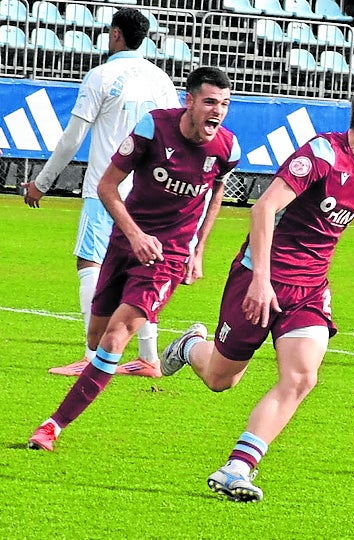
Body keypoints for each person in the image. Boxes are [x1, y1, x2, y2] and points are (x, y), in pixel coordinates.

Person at [160, 80, 354, 502]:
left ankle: (237, 468)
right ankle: (190, 347)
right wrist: (260, 280)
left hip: (309, 291)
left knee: (302, 377)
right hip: (258, 280)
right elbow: (264, 208)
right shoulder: (321, 155)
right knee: (222, 378)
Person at [27, 67, 241, 452]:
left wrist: (198, 248)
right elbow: (107, 186)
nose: (218, 111)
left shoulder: (227, 148)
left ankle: (52, 426)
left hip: (167, 256)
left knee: (115, 337)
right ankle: (189, 344)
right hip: (126, 242)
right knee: (96, 337)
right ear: (189, 101)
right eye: (210, 102)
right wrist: (135, 235)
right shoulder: (153, 128)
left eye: (224, 104)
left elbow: (217, 192)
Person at [22, 7, 181, 379]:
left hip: (107, 189)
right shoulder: (160, 79)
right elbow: (174, 135)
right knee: (145, 267)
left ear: (116, 34)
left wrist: (42, 183)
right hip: (149, 193)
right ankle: (148, 357)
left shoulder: (101, 76)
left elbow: (73, 138)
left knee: (90, 263)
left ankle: (91, 354)